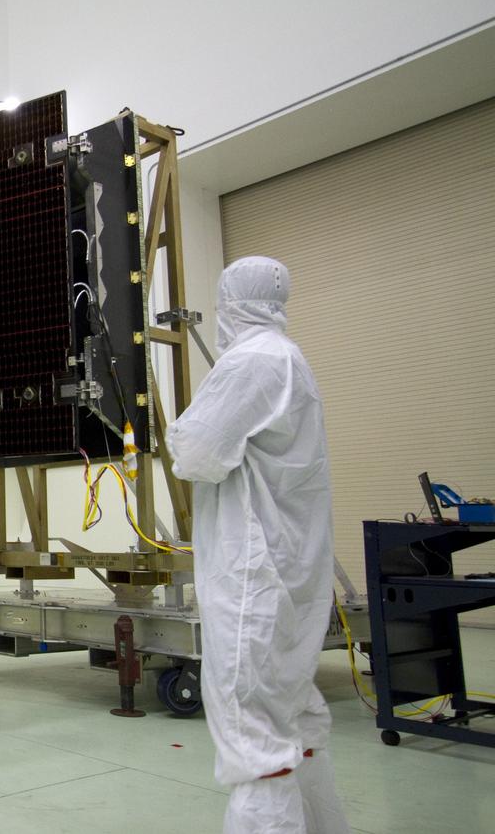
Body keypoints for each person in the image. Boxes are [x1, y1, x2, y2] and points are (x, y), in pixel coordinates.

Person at [166, 256, 350, 834]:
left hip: (254, 579)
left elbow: (197, 451)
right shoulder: (291, 359)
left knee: (254, 740)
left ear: (229, 301)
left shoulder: (251, 363)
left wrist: (173, 430)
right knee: (295, 718)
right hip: (292, 575)